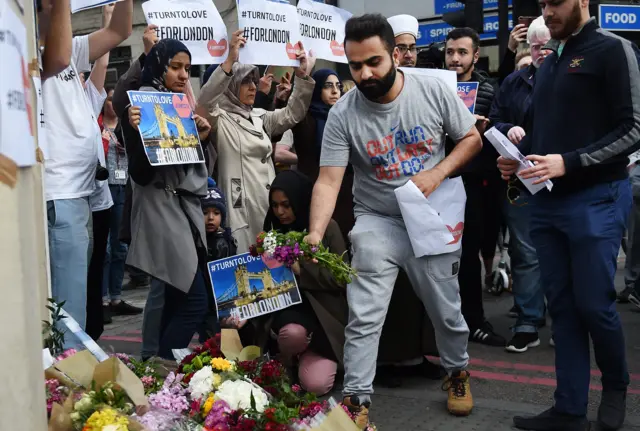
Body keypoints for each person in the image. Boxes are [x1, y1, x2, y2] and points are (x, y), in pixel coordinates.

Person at [306, 14, 481, 426]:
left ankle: (457, 371)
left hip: (430, 218)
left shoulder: (433, 90)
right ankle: (356, 401)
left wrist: (437, 173)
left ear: (395, 56)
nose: (364, 74)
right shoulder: (343, 113)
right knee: (364, 314)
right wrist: (315, 233)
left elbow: (470, 138)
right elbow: (329, 181)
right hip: (377, 219)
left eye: (374, 63)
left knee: (446, 310)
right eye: (355, 66)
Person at [496, 0, 640, 428]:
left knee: (595, 306)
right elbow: (546, 129)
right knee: (562, 307)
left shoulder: (614, 49)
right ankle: (569, 406)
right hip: (547, 200)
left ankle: (615, 387)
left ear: (582, 1)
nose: (548, 11)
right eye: (542, 4)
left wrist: (568, 161)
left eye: (556, 3)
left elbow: (634, 128)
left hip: (597, 197)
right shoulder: (551, 59)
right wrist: (517, 158)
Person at [41, 0, 133, 339]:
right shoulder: (36, 56)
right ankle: (65, 376)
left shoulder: (69, 51)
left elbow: (119, 31)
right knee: (65, 309)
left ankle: (67, 371)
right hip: (59, 194)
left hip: (80, 195)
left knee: (74, 301)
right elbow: (60, 59)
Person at [123, 39, 212, 360]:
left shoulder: (178, 106)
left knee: (175, 297)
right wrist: (139, 130)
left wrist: (199, 138)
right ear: (159, 66)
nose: (184, 75)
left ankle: (154, 365)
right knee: (193, 298)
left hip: (183, 212)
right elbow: (141, 173)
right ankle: (160, 361)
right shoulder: (137, 107)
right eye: (175, 67)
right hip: (161, 212)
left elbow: (191, 169)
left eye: (187, 68)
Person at [196, 31, 315, 253]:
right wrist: (230, 60)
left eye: (253, 79)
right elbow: (204, 101)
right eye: (245, 81)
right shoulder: (218, 118)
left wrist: (302, 76)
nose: (253, 86)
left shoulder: (261, 116)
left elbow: (293, 113)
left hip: (270, 205)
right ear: (230, 85)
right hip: (241, 209)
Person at [488, 16, 551, 353]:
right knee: (525, 252)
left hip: (562, 179)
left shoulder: (573, 78)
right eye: (536, 45)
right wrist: (507, 128)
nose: (541, 51)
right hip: (523, 181)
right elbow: (495, 121)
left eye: (547, 44)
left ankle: (563, 320)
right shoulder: (514, 81)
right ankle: (528, 321)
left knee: (561, 252)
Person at [260, 170, 349, 396]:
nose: (280, 212)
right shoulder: (272, 232)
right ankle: (287, 359)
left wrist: (303, 270)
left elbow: (342, 278)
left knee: (316, 385)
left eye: (287, 205)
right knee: (292, 335)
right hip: (288, 320)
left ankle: (303, 359)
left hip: (322, 323)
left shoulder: (326, 228)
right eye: (275, 205)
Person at [445, 28, 506, 347]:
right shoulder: (434, 85)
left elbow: (499, 129)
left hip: (475, 183)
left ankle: (475, 320)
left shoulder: (488, 88)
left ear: (475, 55)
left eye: (462, 52)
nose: (455, 58)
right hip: (439, 180)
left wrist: (484, 129)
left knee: (469, 253)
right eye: (450, 51)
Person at [101, 87, 143, 320]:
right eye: (109, 99)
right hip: (103, 188)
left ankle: (116, 296)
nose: (112, 104)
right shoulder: (97, 126)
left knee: (120, 248)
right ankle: (103, 298)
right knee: (105, 248)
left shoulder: (128, 126)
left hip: (123, 187)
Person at [199, 178, 237, 341]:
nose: (210, 218)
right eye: (205, 212)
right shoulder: (198, 240)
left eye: (216, 213)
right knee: (208, 333)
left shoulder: (227, 239)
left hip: (223, 298)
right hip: (205, 297)